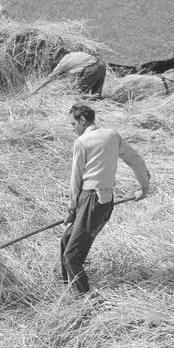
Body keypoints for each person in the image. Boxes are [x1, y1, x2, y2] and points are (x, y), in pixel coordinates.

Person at [61, 105, 150, 295]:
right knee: (66, 239)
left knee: (71, 256)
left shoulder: (82, 142)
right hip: (105, 201)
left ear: (83, 120)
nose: (72, 128)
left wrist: (71, 209)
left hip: (90, 200)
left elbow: (75, 180)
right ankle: (67, 287)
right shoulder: (112, 135)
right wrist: (144, 187)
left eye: (73, 123)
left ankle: (84, 301)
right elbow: (136, 160)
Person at [31, 51, 107, 97]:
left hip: (92, 69)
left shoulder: (63, 62)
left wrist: (35, 90)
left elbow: (49, 78)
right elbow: (78, 73)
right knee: (96, 96)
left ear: (58, 57)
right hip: (102, 65)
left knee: (80, 95)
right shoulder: (73, 54)